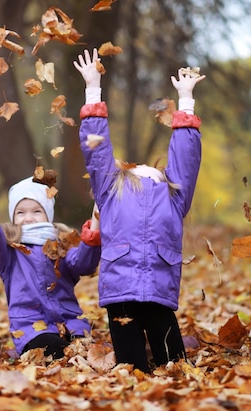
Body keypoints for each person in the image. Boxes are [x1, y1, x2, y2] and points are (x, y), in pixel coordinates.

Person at [73, 48, 206, 373]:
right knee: (131, 368)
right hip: (121, 292)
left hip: (159, 292)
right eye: (137, 168)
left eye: (152, 168)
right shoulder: (112, 189)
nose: (145, 168)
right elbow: (96, 150)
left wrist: (186, 102)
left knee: (174, 365)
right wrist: (93, 89)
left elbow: (186, 160)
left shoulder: (173, 194)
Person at [0, 158, 101, 359]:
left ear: (48, 215)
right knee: (54, 351)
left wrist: (94, 229)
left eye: (36, 211)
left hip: (71, 321)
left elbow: (84, 263)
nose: (28, 217)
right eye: (21, 212)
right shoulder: (8, 252)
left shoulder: (62, 244)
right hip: (31, 327)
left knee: (86, 353)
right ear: (13, 217)